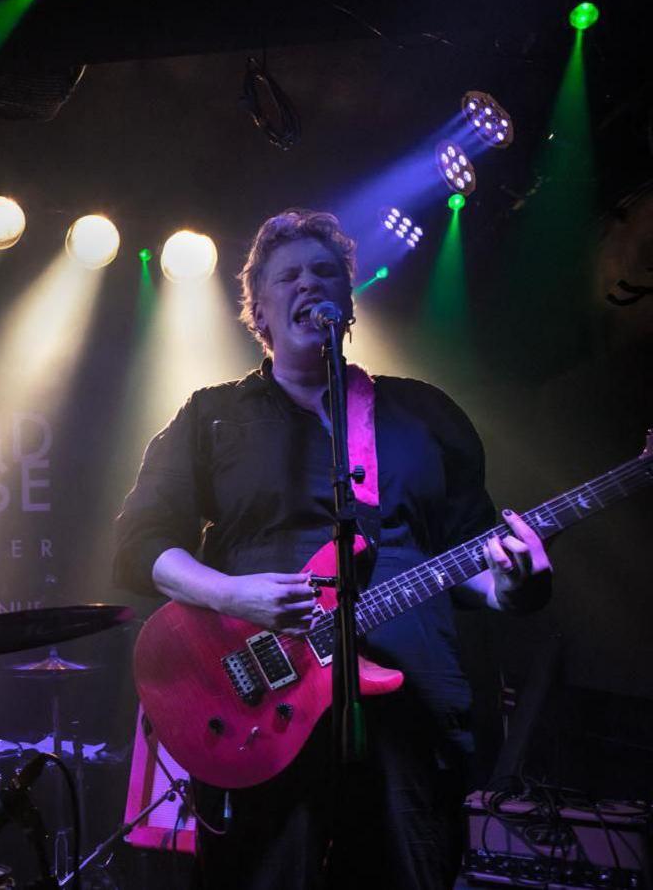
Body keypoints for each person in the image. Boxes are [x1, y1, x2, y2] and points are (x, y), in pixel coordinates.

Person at [112, 210, 552, 889]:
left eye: (324, 272)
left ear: (347, 300)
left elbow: (475, 560)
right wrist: (233, 594)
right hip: (264, 718)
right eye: (288, 275)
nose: (307, 284)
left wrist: (514, 586)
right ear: (257, 308)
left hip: (412, 725)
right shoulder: (212, 416)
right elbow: (140, 546)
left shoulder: (424, 415)